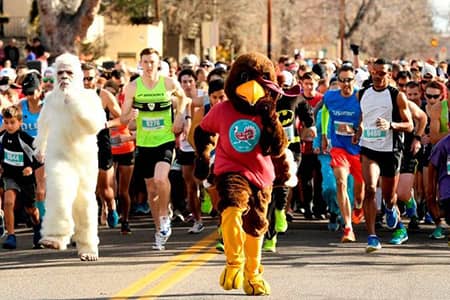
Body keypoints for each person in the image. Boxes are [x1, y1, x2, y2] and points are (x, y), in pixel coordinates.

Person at [34, 53, 106, 261]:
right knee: (59, 188)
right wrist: (41, 146)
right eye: (60, 73)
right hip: (58, 153)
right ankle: (57, 234)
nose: (64, 77)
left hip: (84, 156)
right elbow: (43, 125)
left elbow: (95, 126)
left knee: (83, 201)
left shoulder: (89, 97)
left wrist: (74, 103)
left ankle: (88, 245)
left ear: (78, 75)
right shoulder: (50, 100)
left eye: (69, 72)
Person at [120, 48, 189, 250]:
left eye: (152, 62)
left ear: (158, 63)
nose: (149, 66)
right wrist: (129, 116)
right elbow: (124, 118)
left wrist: (179, 116)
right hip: (143, 143)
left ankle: (165, 216)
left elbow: (183, 98)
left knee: (161, 179)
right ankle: (159, 230)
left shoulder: (168, 83)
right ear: (140, 63)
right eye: (145, 62)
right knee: (151, 191)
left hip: (165, 140)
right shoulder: (133, 87)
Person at [356, 58, 414, 252]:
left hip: (391, 150)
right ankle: (372, 237)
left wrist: (391, 125)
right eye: (375, 73)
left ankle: (391, 210)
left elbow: (410, 124)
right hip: (369, 147)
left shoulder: (397, 96)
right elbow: (364, 116)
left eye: (382, 74)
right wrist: (359, 130)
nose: (378, 77)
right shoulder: (363, 93)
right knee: (371, 189)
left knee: (389, 198)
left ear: (389, 75)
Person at [321, 64, 364, 243]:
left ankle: (359, 207)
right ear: (337, 81)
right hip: (339, 148)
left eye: (349, 80)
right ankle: (348, 227)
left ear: (354, 80)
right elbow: (325, 113)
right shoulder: (330, 96)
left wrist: (359, 127)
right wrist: (324, 134)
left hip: (359, 149)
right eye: (342, 80)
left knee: (361, 192)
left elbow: (367, 115)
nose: (346, 84)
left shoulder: (361, 96)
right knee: (340, 182)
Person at [82, 63, 122, 229]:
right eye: (82, 79)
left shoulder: (104, 96)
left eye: (89, 78)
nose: (86, 82)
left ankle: (111, 205)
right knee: (83, 188)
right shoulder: (71, 96)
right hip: (81, 145)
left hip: (101, 145)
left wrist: (105, 124)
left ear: (96, 78)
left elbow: (122, 118)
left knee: (104, 188)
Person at [0, 105, 42, 249]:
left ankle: (38, 226)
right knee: (8, 202)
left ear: (20, 122)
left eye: (12, 122)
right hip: (10, 177)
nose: (9, 125)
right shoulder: (2, 138)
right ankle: (11, 236)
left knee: (31, 209)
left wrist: (31, 167)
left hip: (26, 179)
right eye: (6, 122)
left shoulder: (25, 138)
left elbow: (40, 156)